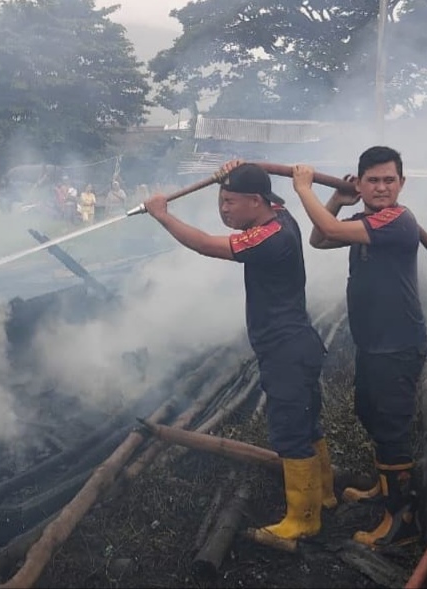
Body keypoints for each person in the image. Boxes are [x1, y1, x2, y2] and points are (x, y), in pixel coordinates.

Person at [142, 161, 332, 552]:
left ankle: (303, 520)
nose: (223, 209)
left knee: (290, 431)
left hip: (286, 349)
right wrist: (235, 167)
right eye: (220, 199)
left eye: (230, 201)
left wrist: (163, 215)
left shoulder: (272, 237)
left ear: (256, 201)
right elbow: (250, 193)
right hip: (297, 344)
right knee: (307, 423)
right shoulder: (279, 215)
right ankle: (324, 495)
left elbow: (207, 245)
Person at [290, 146, 427, 548]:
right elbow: (320, 239)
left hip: (397, 345)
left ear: (402, 183)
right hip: (374, 342)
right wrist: (335, 198)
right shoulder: (367, 218)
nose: (382, 187)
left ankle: (402, 521)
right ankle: (385, 488)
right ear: (361, 182)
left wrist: (304, 189)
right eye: (373, 180)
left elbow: (330, 232)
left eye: (389, 180)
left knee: (392, 427)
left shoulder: (399, 221)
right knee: (370, 414)